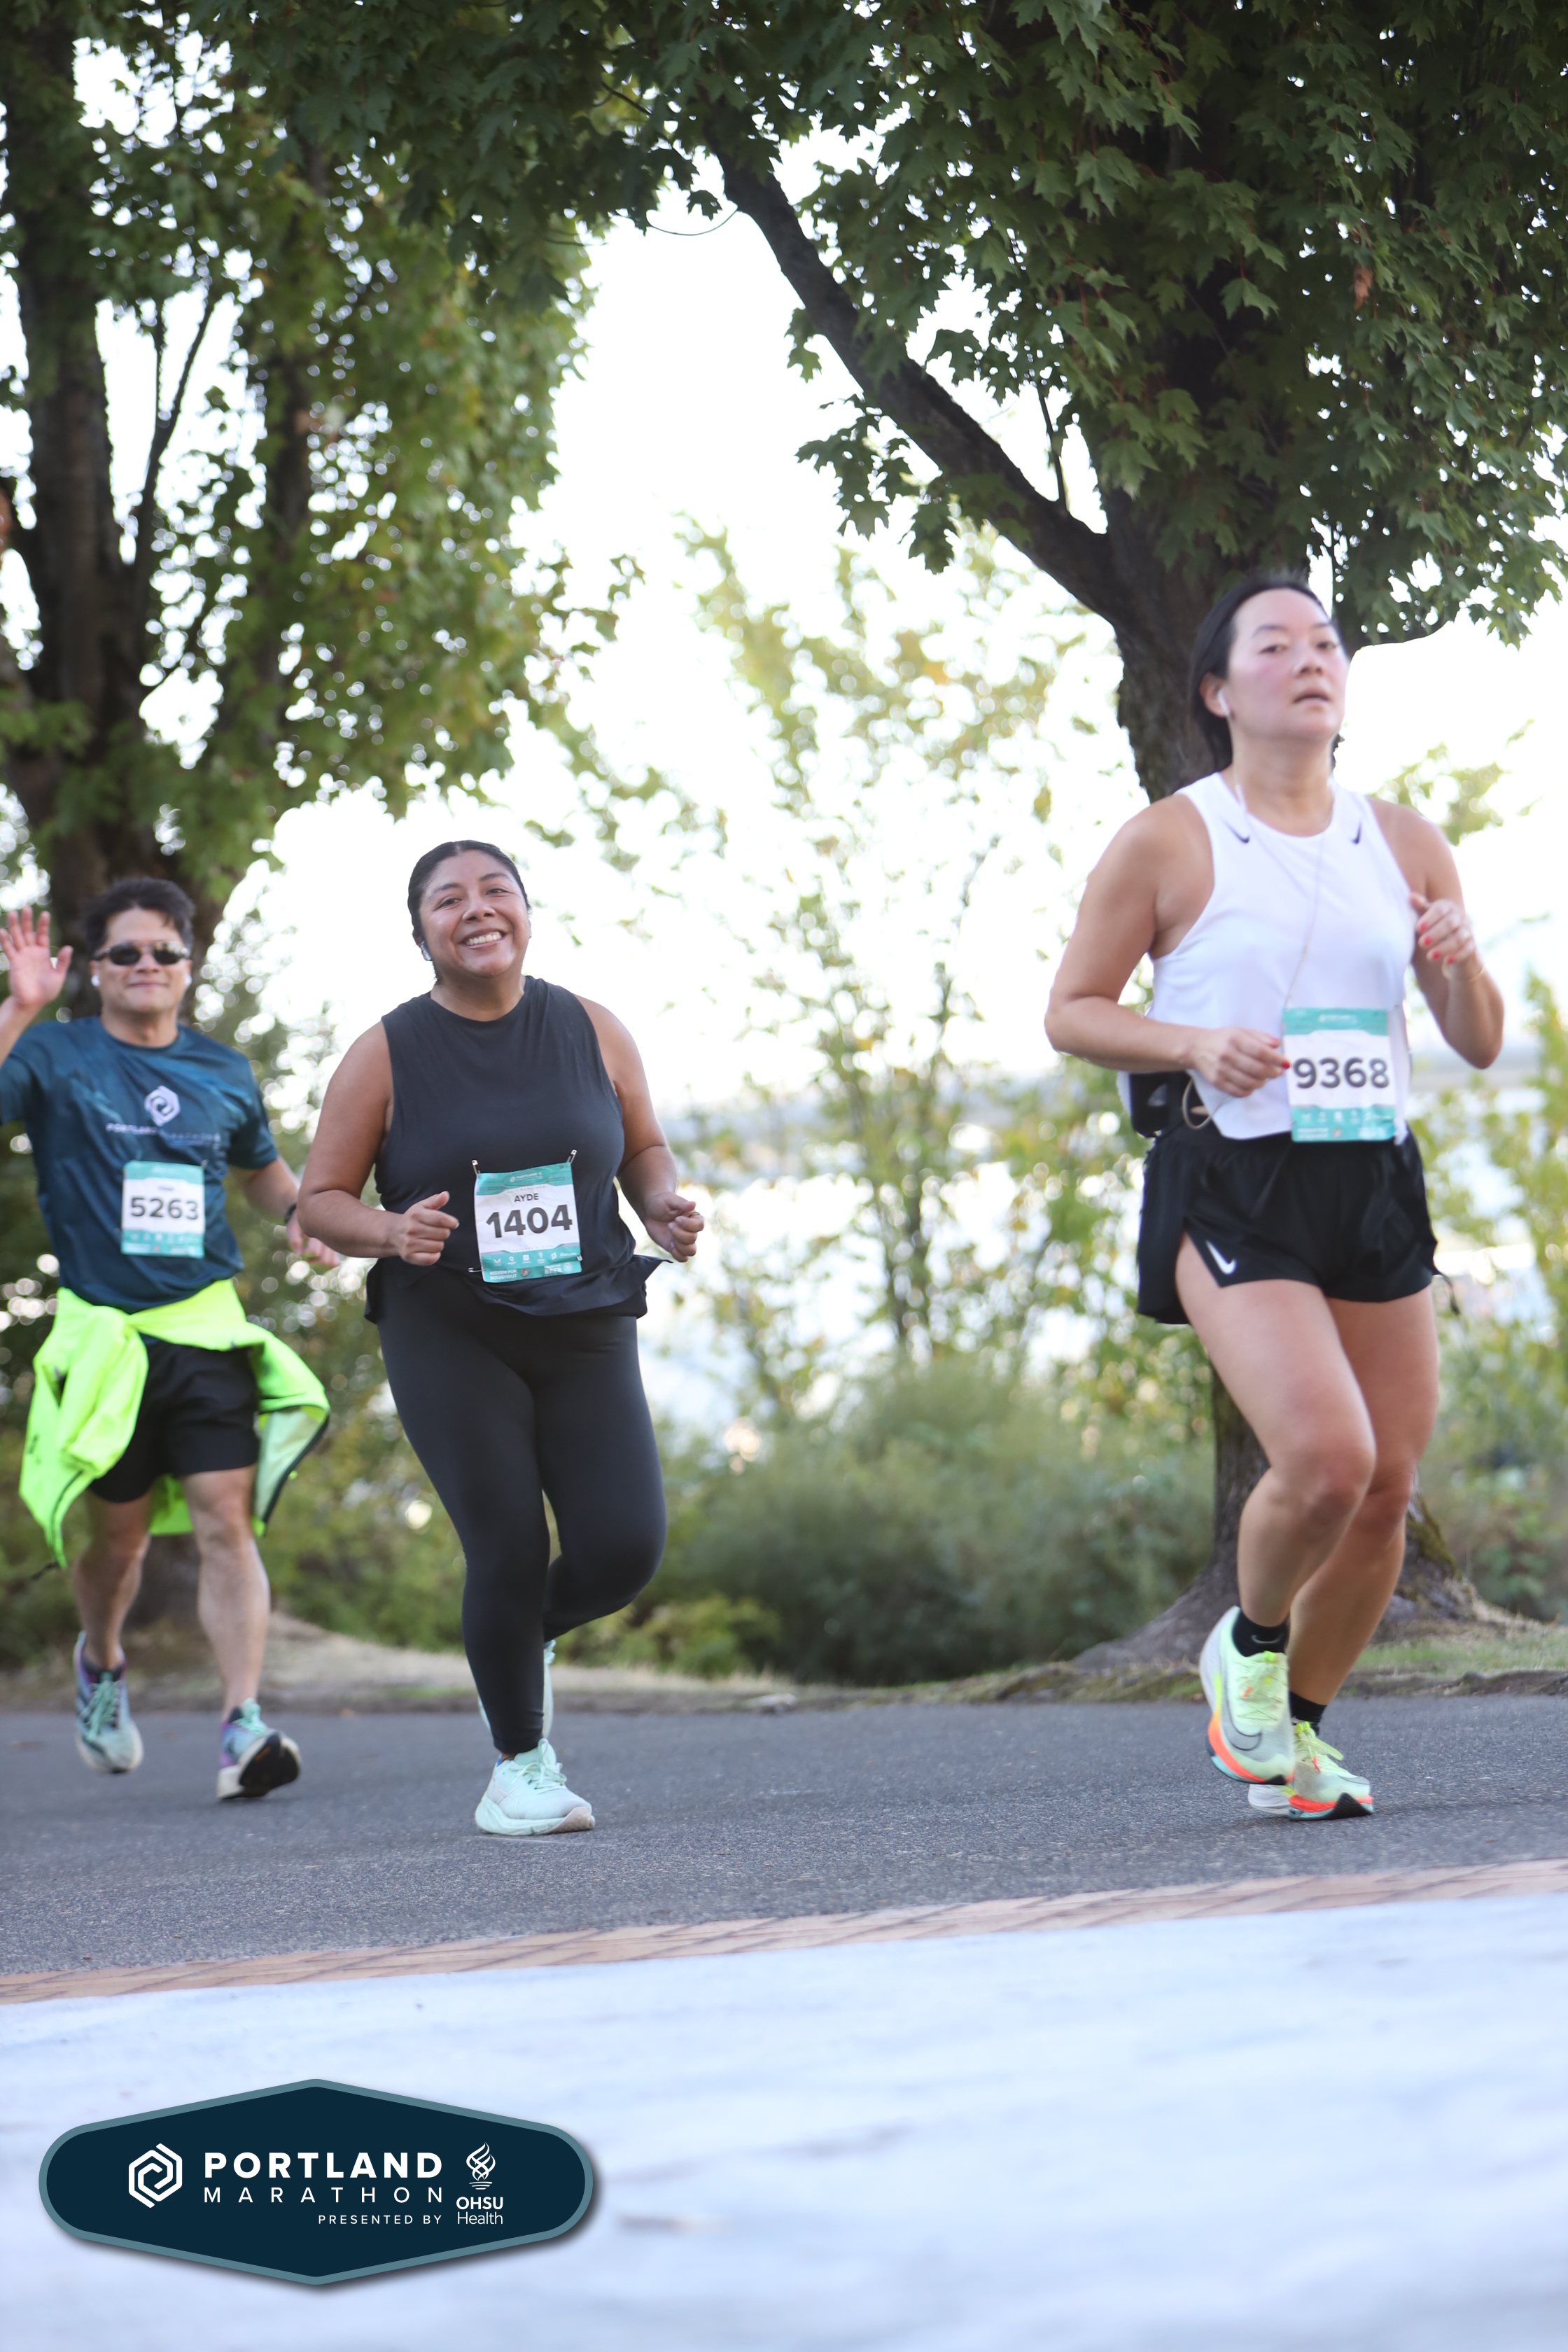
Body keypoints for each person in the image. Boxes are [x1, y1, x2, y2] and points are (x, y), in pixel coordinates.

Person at [1046, 575, 1503, 1819]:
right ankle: (1246, 1646)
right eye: (1276, 644)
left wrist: (1459, 966)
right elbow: (1072, 1011)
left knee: (1387, 1486)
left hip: (1372, 1170)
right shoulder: (1171, 839)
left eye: (1326, 643)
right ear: (1216, 690)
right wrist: (1193, 1042)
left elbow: (1474, 1040)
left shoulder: (1401, 839)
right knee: (1326, 1458)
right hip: (1234, 1175)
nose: (1311, 659)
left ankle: (1294, 1740)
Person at [298, 840, 702, 1837]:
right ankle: (519, 1770)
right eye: (448, 900)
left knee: (624, 1548)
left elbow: (643, 1146)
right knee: (508, 1543)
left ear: (525, 912)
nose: (476, 910)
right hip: (451, 1328)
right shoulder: (387, 1052)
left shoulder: (592, 1027)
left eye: (495, 891)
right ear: (421, 932)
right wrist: (390, 1231)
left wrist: (659, 1203)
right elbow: (320, 1199)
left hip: (585, 1316)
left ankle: (521, 1642)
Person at [0, 881, 336, 1801]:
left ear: (189, 965)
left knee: (228, 1518)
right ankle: (102, 1661)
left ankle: (242, 1726)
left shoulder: (222, 1071)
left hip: (205, 1327)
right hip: (107, 1337)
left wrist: (306, 1214)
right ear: (95, 969)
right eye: (126, 952)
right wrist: (20, 1008)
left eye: (164, 951)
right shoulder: (56, 1053)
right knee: (121, 1543)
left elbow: (263, 1174)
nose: (146, 965)